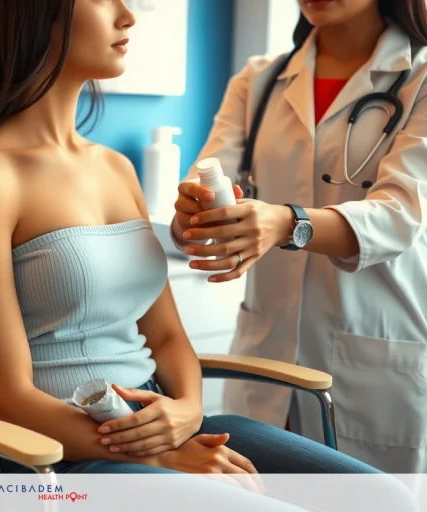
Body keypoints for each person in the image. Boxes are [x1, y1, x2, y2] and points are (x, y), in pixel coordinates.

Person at [0, 0, 391, 506]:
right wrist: (157, 455)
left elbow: (169, 335)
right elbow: (6, 397)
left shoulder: (115, 168)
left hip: (159, 425)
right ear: (31, 15)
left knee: (384, 497)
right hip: (55, 454)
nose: (127, 15)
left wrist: (188, 412)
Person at [172, 0, 427, 473]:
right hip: (266, 358)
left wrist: (285, 222)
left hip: (374, 356)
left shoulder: (421, 76)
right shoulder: (258, 79)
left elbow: (400, 215)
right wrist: (194, 208)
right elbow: (209, 180)